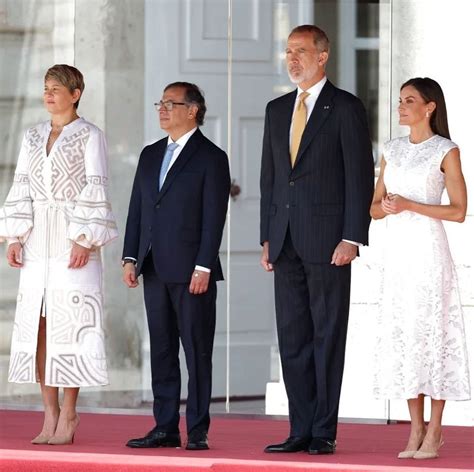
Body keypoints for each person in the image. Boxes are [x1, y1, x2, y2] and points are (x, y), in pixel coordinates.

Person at [259, 25, 374, 455]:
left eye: (301, 52)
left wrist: (351, 236)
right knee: (292, 337)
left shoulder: (344, 107)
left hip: (329, 242)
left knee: (327, 336)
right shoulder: (275, 109)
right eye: (288, 51)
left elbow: (358, 177)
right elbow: (269, 179)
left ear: (322, 56)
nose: (291, 59)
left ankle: (324, 429)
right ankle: (299, 428)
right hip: (284, 241)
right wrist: (266, 237)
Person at [0, 64, 118, 445]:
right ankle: (48, 412)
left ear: (76, 92)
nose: (49, 94)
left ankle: (69, 412)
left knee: (70, 328)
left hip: (72, 244)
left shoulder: (90, 136)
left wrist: (85, 239)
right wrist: (15, 236)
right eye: (46, 88)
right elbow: (20, 186)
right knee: (39, 328)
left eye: (57, 88)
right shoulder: (32, 136)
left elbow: (97, 186)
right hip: (37, 246)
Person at [122, 82, 230, 451]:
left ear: (193, 110)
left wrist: (203, 266)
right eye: (161, 103)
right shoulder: (150, 154)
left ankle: (197, 429)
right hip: (154, 268)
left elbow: (214, 218)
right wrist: (130, 257)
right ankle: (165, 426)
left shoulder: (211, 157)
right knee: (163, 350)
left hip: (191, 272)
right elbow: (138, 209)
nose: (163, 109)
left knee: (197, 352)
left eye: (172, 103)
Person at [372, 77, 470, 460]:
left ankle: (436, 428)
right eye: (399, 100)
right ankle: (414, 429)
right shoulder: (391, 150)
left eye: (409, 100)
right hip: (398, 254)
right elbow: (374, 207)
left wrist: (412, 205)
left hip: (429, 252)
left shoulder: (446, 150)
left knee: (433, 333)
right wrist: (389, 207)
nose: (400, 106)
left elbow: (458, 211)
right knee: (406, 335)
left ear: (429, 107)